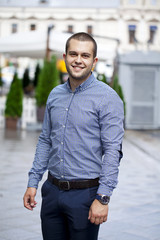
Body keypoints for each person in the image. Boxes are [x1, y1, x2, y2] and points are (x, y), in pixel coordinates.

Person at [23, 32, 124, 240]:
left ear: (94, 61)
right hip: (51, 192)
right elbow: (45, 140)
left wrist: (103, 198)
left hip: (85, 196)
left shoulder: (108, 98)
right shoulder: (55, 95)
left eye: (85, 55)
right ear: (65, 57)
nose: (78, 60)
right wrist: (33, 182)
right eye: (73, 54)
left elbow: (113, 151)